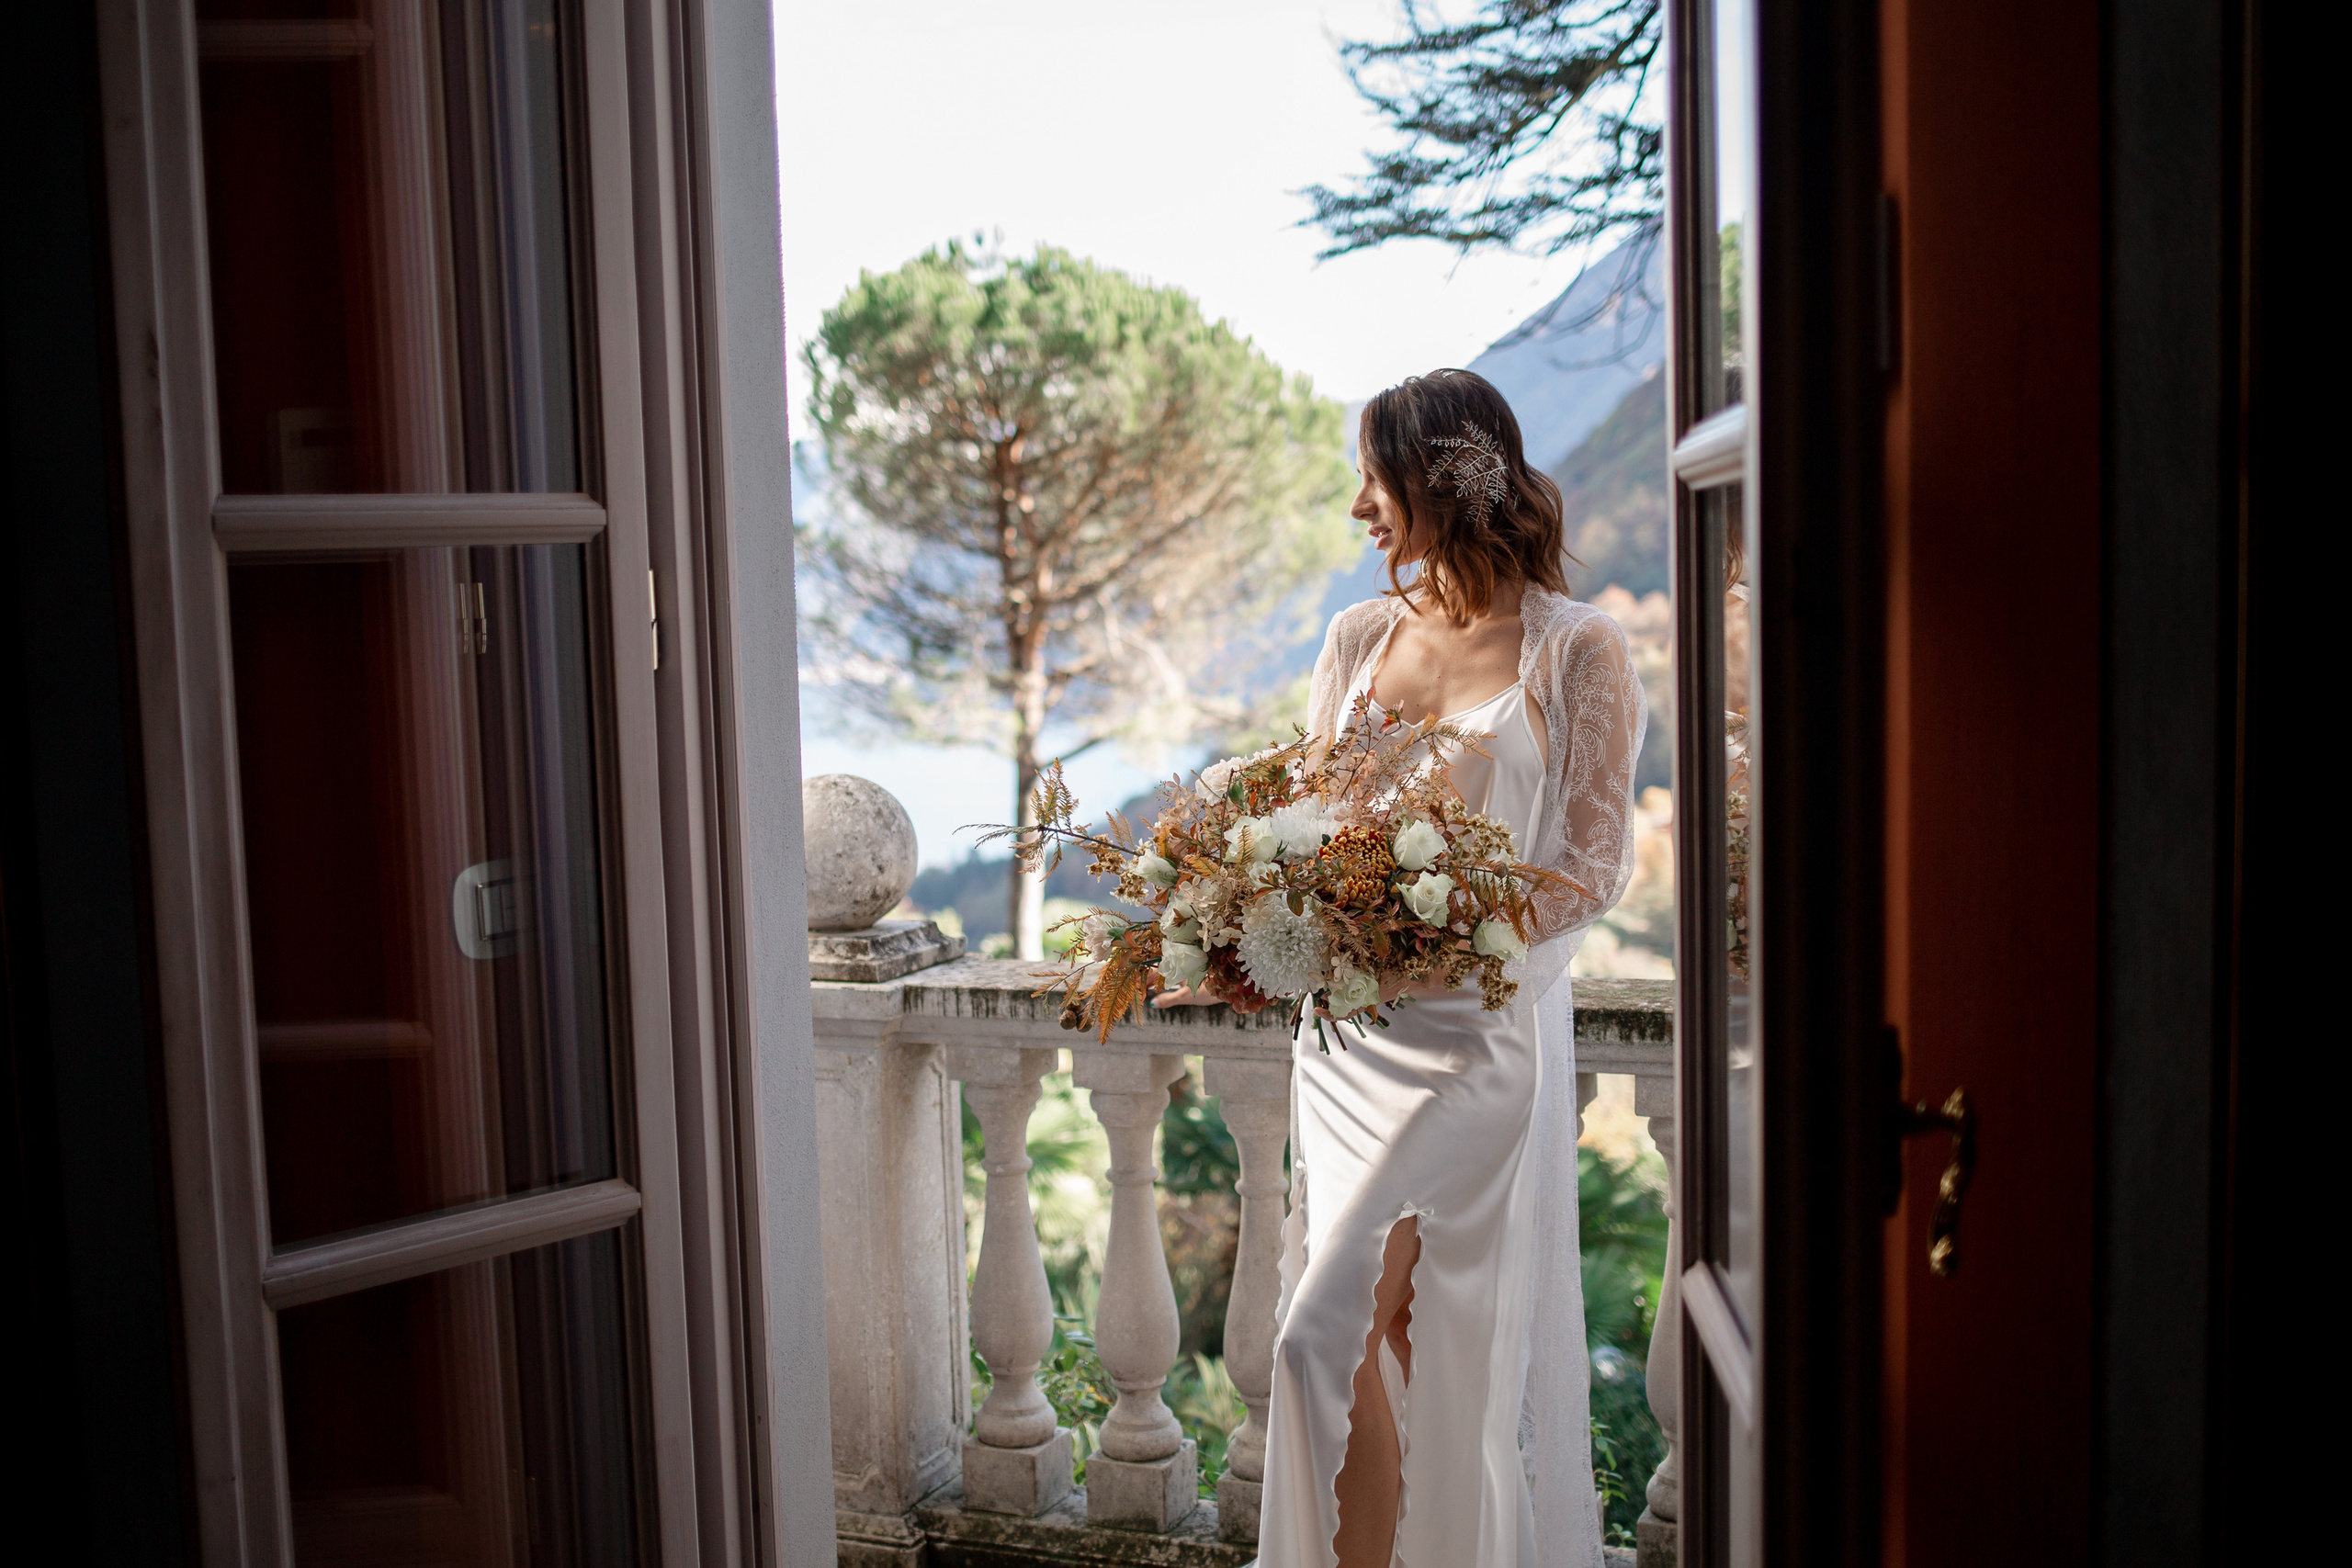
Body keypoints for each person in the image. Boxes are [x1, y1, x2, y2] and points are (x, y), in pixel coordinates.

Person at [1157, 368, 1645, 1567]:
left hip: (1471, 1049)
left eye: (1374, 477)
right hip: (1348, 1047)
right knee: (1408, 1351)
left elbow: (1593, 866)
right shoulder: (1360, 635)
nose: (1358, 506)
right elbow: (1319, 808)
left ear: (1441, 480)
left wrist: (1432, 934)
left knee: (1320, 1339)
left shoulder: (1578, 649)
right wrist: (1227, 865)